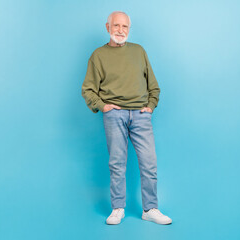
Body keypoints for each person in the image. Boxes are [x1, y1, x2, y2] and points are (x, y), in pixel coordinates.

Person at [81, 11, 172, 225]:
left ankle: (150, 209)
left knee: (149, 164)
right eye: (116, 26)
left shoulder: (139, 51)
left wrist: (150, 106)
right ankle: (117, 208)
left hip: (141, 115)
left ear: (129, 29)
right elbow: (88, 90)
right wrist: (103, 107)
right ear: (107, 27)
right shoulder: (98, 55)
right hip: (114, 115)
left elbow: (154, 86)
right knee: (117, 163)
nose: (120, 30)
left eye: (125, 27)